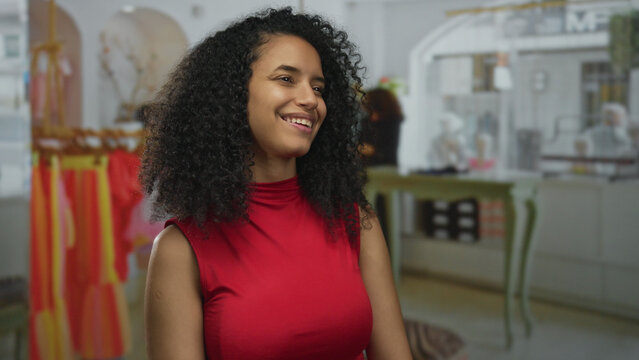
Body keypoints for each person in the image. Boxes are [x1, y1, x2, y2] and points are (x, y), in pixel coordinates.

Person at [140, 8, 411, 360]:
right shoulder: (181, 250)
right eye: (286, 78)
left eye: (318, 87)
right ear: (233, 93)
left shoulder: (356, 221)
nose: (311, 99)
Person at [360, 88, 403, 166]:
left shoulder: (392, 121)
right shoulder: (366, 121)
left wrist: (372, 151)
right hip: (365, 165)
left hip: (385, 167)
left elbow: (389, 150)